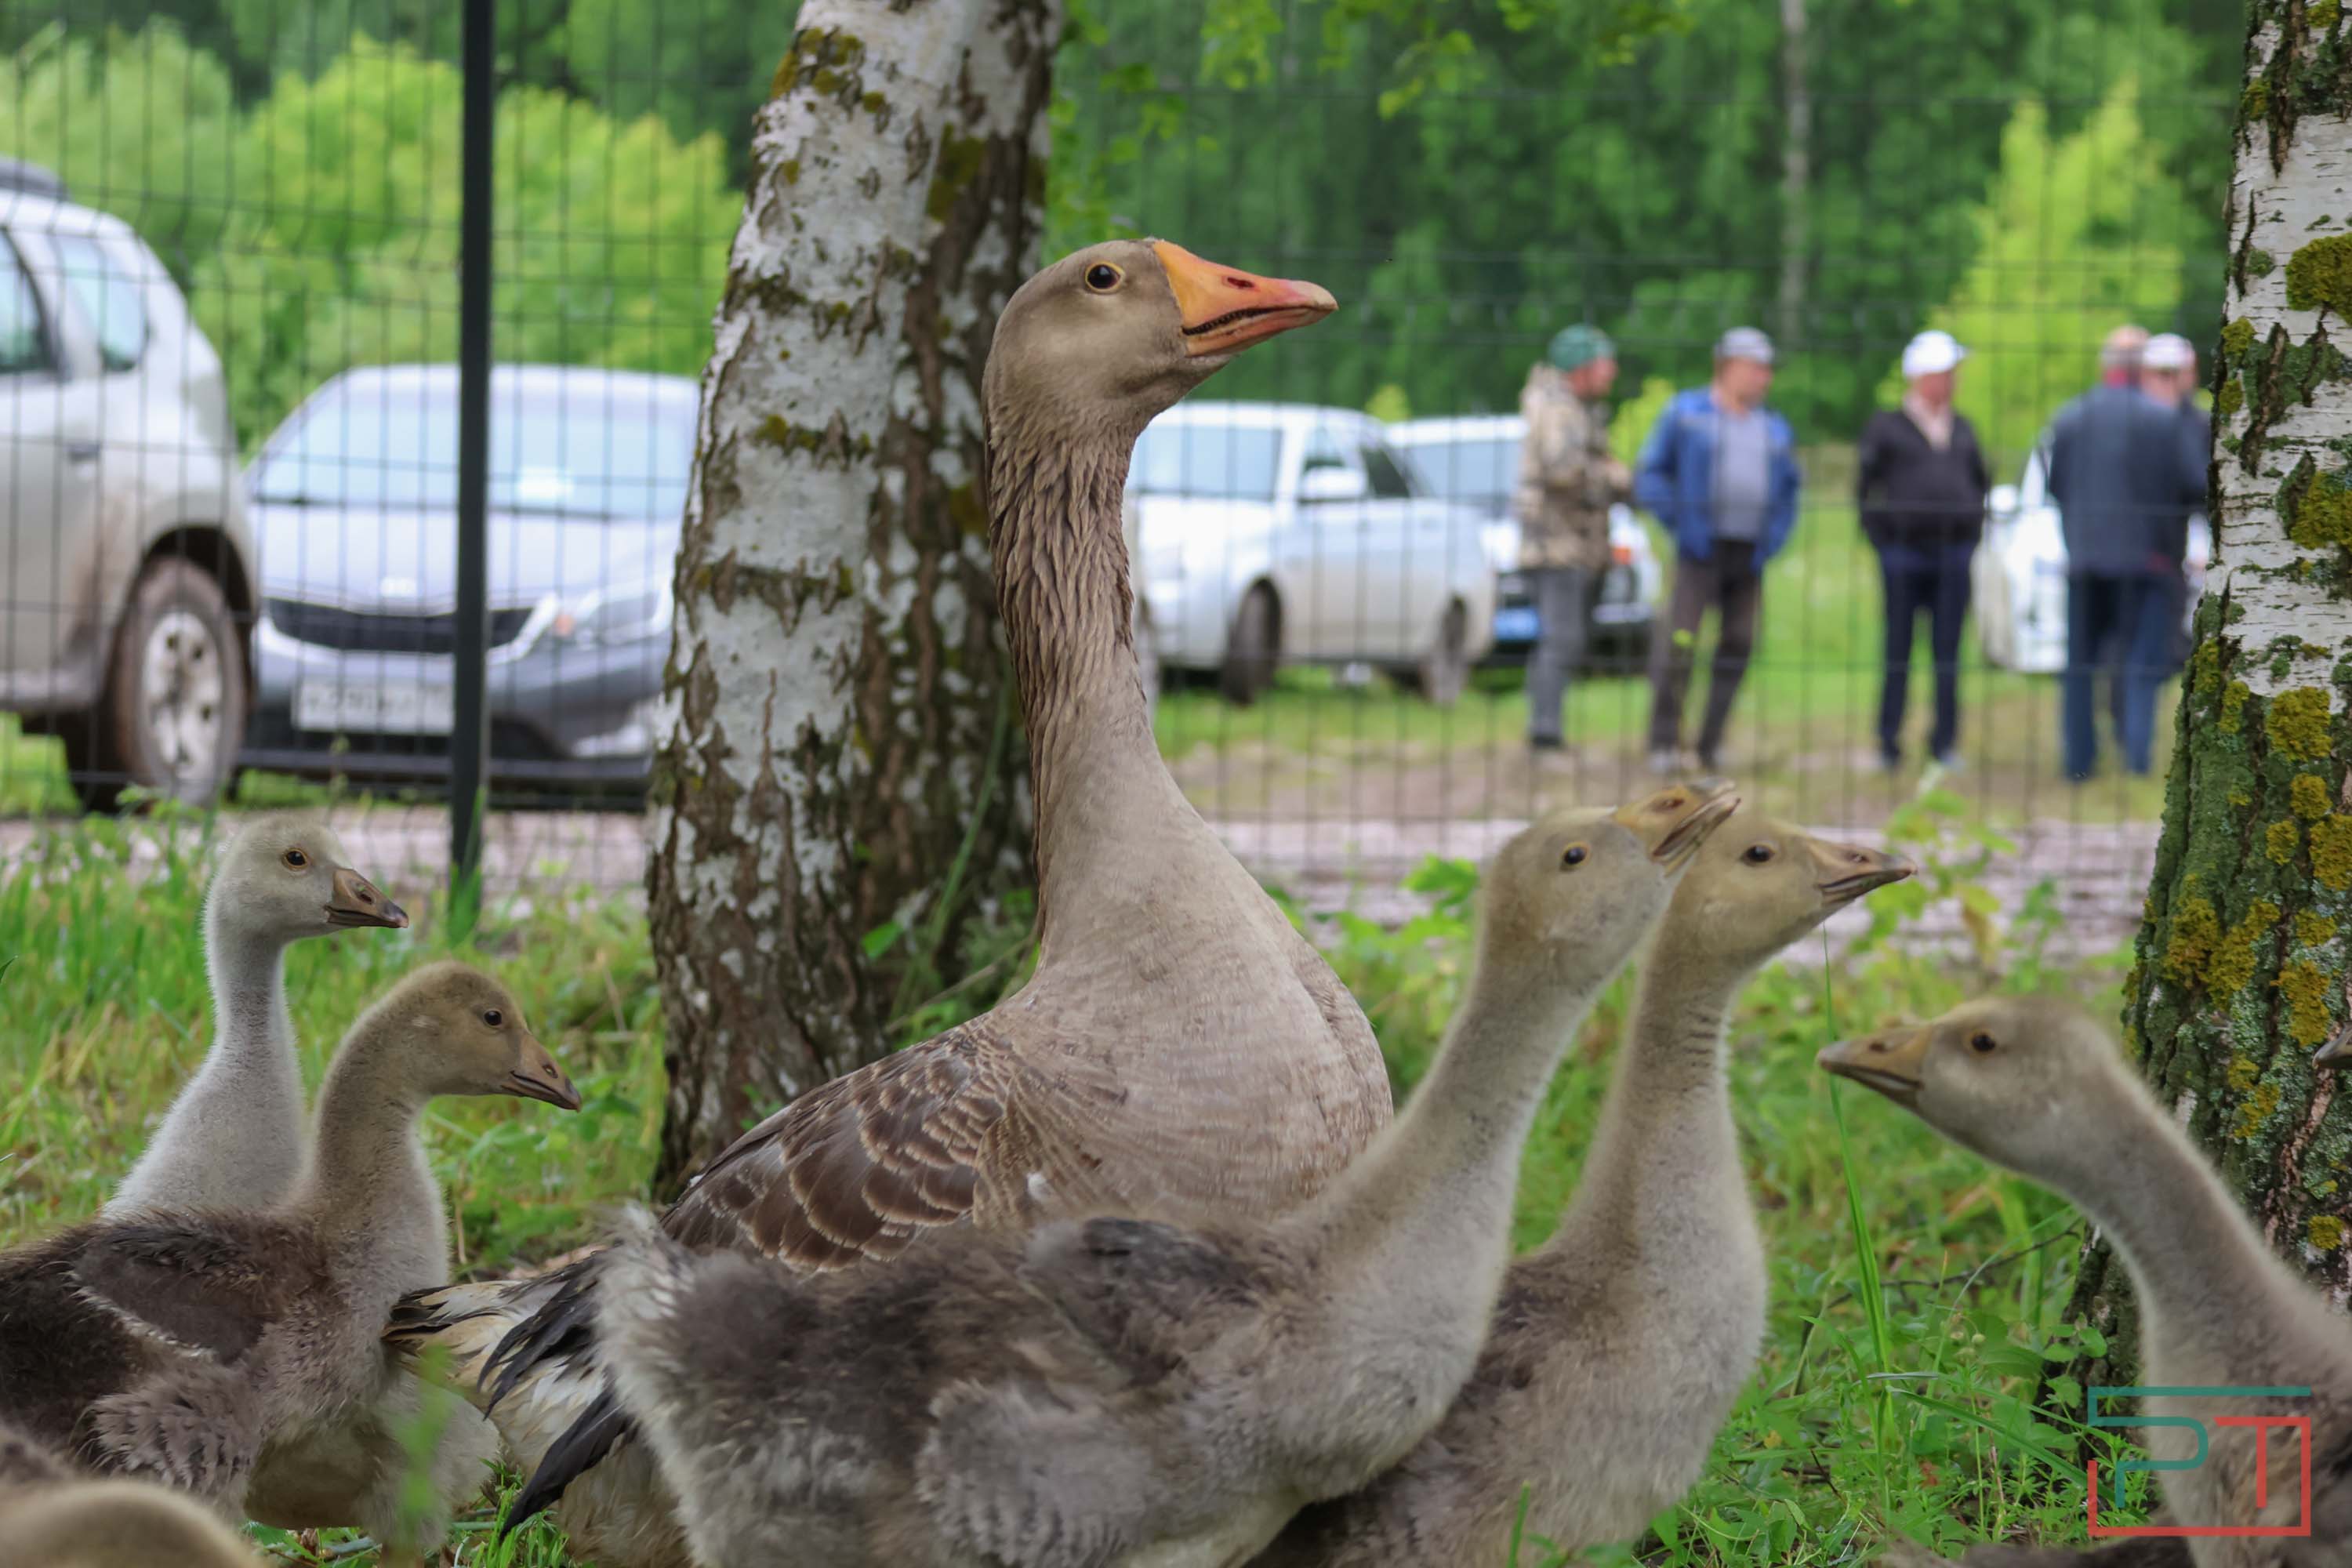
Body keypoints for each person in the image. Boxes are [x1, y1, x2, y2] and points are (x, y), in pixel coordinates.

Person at [1634, 325, 1802, 774]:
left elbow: (1790, 490)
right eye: (1754, 368)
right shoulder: (1687, 415)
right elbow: (1651, 475)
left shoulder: (1774, 428)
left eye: (1766, 370)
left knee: (1739, 641)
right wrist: (1681, 523)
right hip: (1699, 550)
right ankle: (1664, 741)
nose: (1763, 378)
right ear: (1726, 367)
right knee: (1681, 639)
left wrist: (1774, 537)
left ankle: (1710, 743)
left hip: (1749, 553)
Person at [2046, 326, 2207, 779]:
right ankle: (2136, 758)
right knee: (2141, 662)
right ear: (2143, 367)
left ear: (2106, 365)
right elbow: (2194, 484)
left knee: (2080, 665)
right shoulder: (2163, 421)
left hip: (2085, 558)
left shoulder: (2070, 417)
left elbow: (2055, 487)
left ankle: (2079, 762)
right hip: (2148, 560)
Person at [1857, 329, 1988, 771]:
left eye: (1954, 373)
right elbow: (1865, 489)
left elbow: (1980, 482)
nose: (1952, 381)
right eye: (1945, 372)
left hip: (1953, 554)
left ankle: (1944, 743)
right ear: (1922, 376)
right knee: (1897, 649)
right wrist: (1883, 542)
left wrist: (1972, 533)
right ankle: (1888, 742)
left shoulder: (1963, 427)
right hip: (1903, 554)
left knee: (1948, 652)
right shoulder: (1887, 427)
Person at [1514, 324, 1632, 753]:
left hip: (1575, 545)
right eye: (1604, 363)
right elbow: (1561, 469)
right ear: (1581, 368)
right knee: (1561, 638)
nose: (1611, 371)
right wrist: (1615, 477)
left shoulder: (1576, 409)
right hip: (1556, 546)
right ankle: (1544, 733)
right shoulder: (1556, 410)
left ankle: (1547, 727)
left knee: (1567, 638)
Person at [2137, 332, 2211, 673]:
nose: (2170, 382)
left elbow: (2201, 485)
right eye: (2161, 373)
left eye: (2175, 373)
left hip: (2178, 547)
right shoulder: (2129, 421)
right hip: (2135, 550)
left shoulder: (2198, 424)